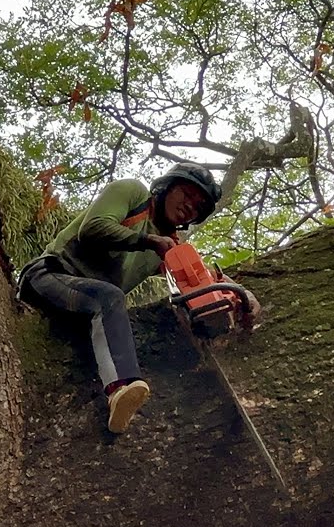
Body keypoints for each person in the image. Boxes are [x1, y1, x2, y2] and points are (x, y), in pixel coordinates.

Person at [18, 162, 250, 433]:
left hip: (82, 308)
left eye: (198, 206)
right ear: (167, 187)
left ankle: (119, 407)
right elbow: (93, 227)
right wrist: (149, 241)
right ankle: (121, 387)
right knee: (110, 298)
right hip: (50, 275)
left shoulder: (169, 246)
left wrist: (239, 294)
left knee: (107, 303)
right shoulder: (134, 194)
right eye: (186, 194)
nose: (190, 205)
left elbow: (198, 278)